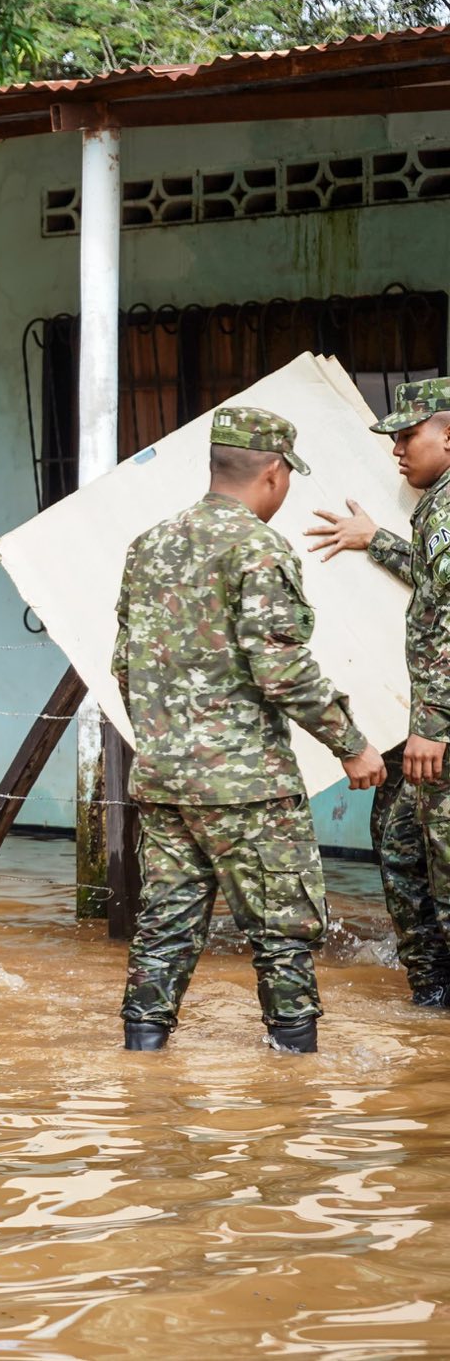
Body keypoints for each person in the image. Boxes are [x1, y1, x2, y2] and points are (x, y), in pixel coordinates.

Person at [115, 406, 385, 1054]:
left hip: (163, 779)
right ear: (272, 472)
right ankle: (293, 1088)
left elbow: (124, 665)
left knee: (165, 928)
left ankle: (142, 1074)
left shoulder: (149, 545)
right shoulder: (257, 549)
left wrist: (167, 744)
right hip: (248, 788)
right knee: (281, 934)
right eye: (287, 475)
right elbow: (281, 667)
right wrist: (352, 744)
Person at [302, 377, 450, 1009]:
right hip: (420, 724)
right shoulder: (436, 507)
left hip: (436, 727)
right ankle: (432, 998)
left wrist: (433, 724)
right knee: (400, 844)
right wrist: (377, 539)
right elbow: (433, 578)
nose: (397, 449)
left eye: (408, 435)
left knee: (437, 864)